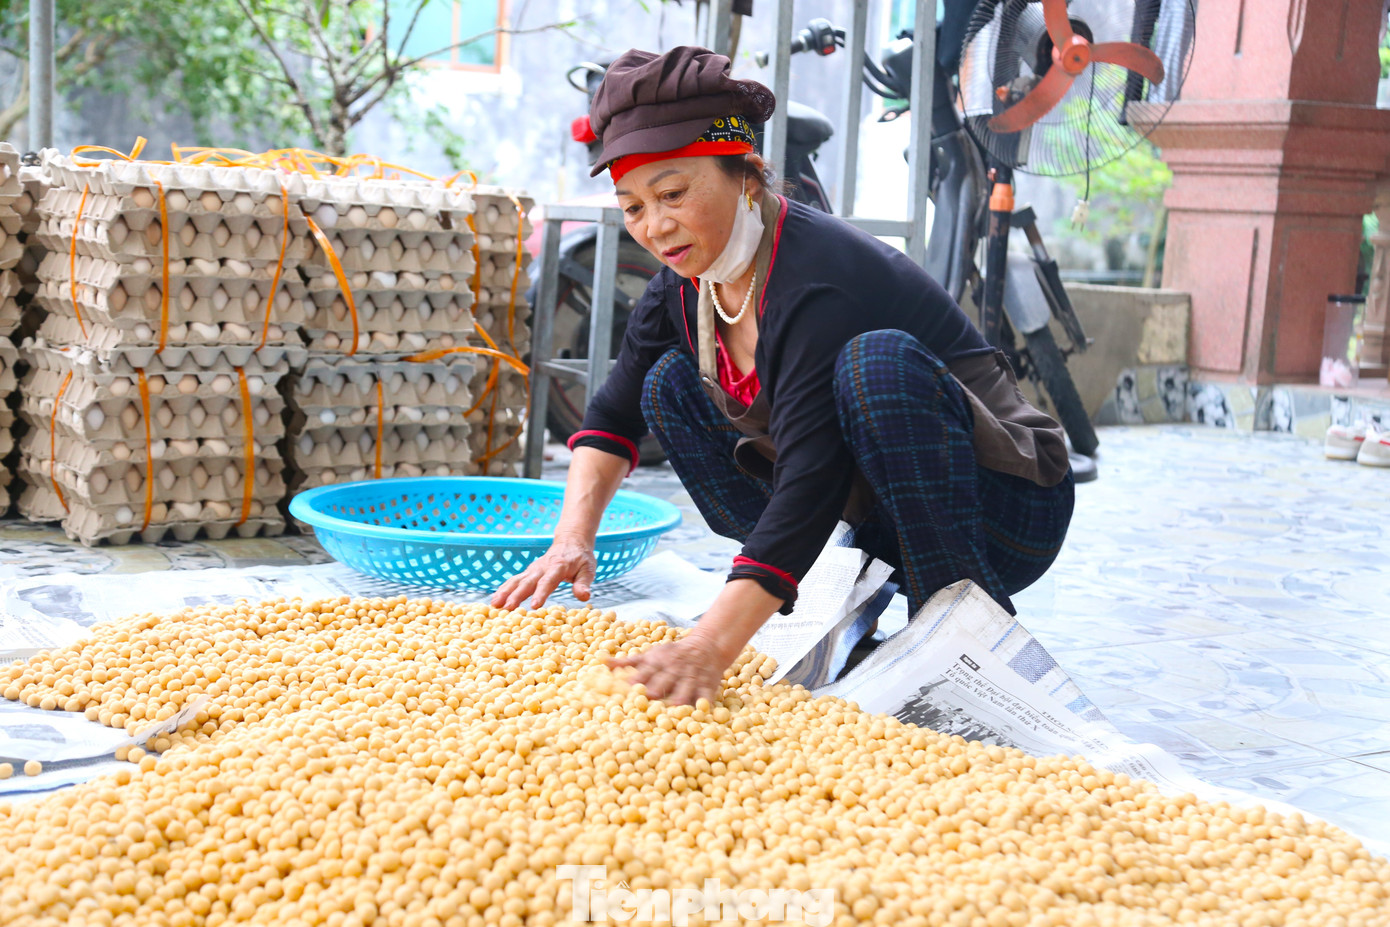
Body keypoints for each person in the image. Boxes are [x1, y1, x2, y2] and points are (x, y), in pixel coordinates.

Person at [493, 46, 1074, 706]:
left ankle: (960, 634)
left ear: (744, 175)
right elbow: (614, 414)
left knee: (874, 366)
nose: (655, 227)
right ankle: (827, 596)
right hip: (883, 511)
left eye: (674, 194)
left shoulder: (813, 277)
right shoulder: (684, 287)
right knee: (668, 388)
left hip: (1006, 506)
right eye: (633, 207)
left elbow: (811, 476)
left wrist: (709, 646)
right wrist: (572, 539)